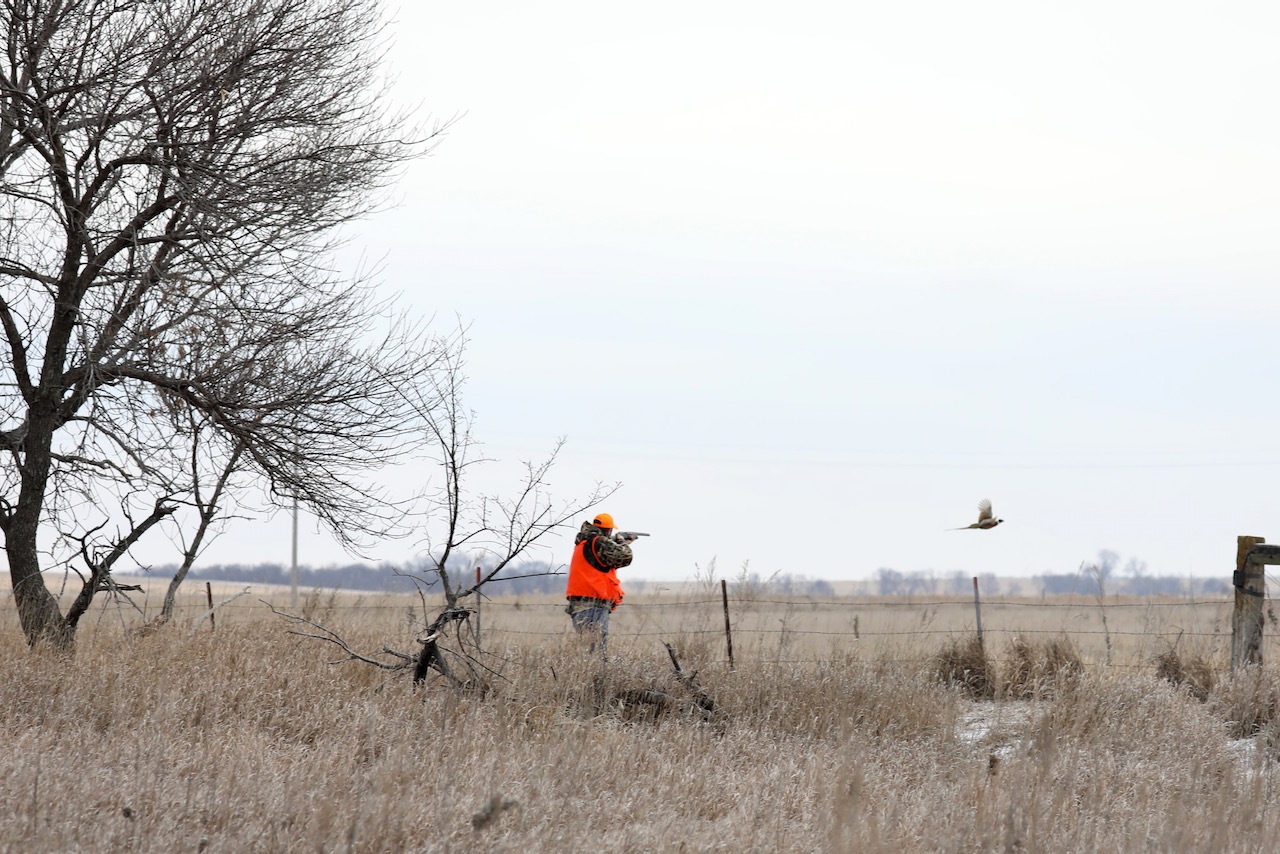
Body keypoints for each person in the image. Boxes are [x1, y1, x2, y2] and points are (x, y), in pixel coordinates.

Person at [565, 512, 635, 650]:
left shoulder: (585, 542)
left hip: (581, 605)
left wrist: (615, 541)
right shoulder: (597, 542)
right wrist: (622, 541)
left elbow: (606, 554)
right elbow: (625, 556)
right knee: (596, 653)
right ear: (609, 530)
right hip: (593, 606)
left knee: (587, 653)